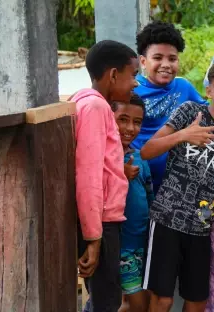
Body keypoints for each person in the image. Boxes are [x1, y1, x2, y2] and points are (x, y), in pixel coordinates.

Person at [141, 59, 214, 312]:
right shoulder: (191, 112)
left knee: (197, 300)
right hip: (167, 221)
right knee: (162, 299)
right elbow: (146, 150)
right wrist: (183, 135)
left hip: (202, 228)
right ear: (208, 91)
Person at [72, 40, 138, 312]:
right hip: (100, 223)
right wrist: (93, 237)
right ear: (113, 75)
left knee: (104, 299)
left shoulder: (84, 101)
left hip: (100, 222)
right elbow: (88, 175)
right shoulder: (96, 108)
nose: (135, 83)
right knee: (106, 301)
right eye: (133, 75)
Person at [132, 21, 209, 193]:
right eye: (158, 58)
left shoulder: (184, 87)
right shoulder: (132, 90)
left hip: (173, 184)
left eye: (172, 59)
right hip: (137, 176)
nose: (166, 64)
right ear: (143, 62)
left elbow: (212, 112)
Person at [111, 94, 154, 312]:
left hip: (143, 242)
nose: (130, 128)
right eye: (123, 119)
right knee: (136, 304)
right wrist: (120, 173)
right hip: (121, 247)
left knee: (139, 301)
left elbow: (149, 196)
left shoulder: (140, 157)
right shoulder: (104, 160)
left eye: (137, 122)